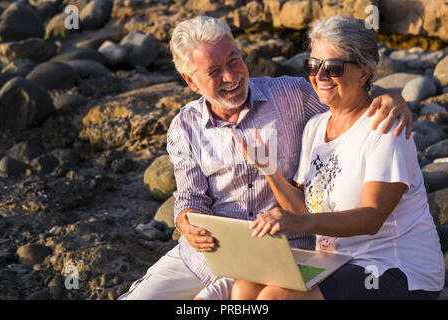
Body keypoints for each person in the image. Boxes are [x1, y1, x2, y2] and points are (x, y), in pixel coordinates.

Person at [118, 16, 413, 300]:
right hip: (209, 254)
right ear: (191, 81)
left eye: (234, 61)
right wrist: (185, 223)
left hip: (280, 253)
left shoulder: (291, 95)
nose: (231, 77)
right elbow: (190, 197)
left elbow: (347, 97)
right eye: (214, 71)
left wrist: (393, 99)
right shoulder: (185, 126)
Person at [230, 15, 445, 300]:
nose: (320, 77)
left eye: (332, 68)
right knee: (245, 287)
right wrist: (269, 170)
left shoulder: (385, 127)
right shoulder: (315, 127)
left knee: (276, 297)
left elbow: (371, 218)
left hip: (392, 269)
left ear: (365, 73)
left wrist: (299, 224)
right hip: (333, 262)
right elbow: (304, 211)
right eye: (313, 65)